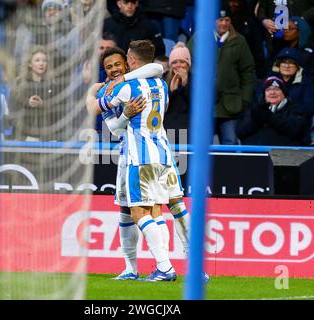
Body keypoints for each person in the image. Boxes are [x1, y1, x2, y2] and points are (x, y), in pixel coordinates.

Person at [87, 41, 209, 282]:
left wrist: (92, 92)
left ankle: (164, 267)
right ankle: (190, 267)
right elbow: (115, 126)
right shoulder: (162, 84)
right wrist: (125, 114)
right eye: (108, 66)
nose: (113, 69)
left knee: (139, 212)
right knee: (174, 207)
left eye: (118, 64)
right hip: (164, 153)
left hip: (138, 157)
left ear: (129, 61)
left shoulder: (122, 89)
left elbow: (95, 110)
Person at [212, 5, 256, 145]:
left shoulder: (239, 41)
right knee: (202, 144)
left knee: (230, 142)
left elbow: (248, 71)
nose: (224, 23)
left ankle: (227, 168)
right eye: (220, 20)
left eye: (227, 20)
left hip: (231, 104)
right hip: (206, 104)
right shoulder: (199, 38)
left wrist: (245, 99)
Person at [237, 76, 309, 146]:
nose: (272, 92)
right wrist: (255, 120)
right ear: (264, 94)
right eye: (268, 89)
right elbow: (240, 132)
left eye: (277, 89)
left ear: (284, 93)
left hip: (284, 155)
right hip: (255, 154)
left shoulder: (295, 109)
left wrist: (270, 117)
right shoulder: (255, 109)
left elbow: (295, 131)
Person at [10, 45, 59, 141]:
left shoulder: (53, 85)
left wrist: (43, 104)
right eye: (37, 60)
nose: (41, 63)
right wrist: (28, 102)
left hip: (46, 138)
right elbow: (12, 109)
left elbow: (58, 112)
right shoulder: (19, 83)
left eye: (44, 60)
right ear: (29, 64)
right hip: (23, 136)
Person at [266, 47, 314, 133]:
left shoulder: (305, 82)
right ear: (278, 64)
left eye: (291, 63)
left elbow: (309, 108)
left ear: (297, 66)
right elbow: (259, 102)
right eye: (284, 62)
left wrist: (287, 111)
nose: (287, 66)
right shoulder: (269, 79)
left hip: (295, 127)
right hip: (270, 124)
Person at [163, 42, 192, 145]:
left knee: (184, 160)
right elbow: (161, 106)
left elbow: (197, 106)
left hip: (188, 130)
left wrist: (185, 85)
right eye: (174, 62)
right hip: (168, 128)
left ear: (188, 64)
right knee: (171, 160)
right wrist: (172, 92)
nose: (178, 65)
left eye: (182, 62)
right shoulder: (164, 79)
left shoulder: (196, 80)